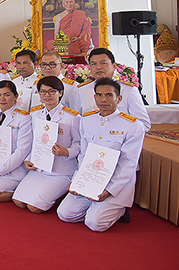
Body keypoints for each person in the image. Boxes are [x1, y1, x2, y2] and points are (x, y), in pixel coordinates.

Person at [57, 77, 146, 231]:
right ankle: (94, 209)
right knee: (65, 214)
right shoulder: (87, 120)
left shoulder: (133, 126)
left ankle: (116, 210)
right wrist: (78, 181)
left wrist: (110, 190)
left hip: (114, 183)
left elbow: (128, 163)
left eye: (109, 95)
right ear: (94, 97)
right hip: (90, 180)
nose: (103, 99)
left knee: (95, 224)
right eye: (99, 95)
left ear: (119, 98)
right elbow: (84, 155)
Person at [12, 76, 80, 213]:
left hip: (61, 170)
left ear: (60, 93)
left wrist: (66, 152)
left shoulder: (73, 117)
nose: (46, 95)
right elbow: (33, 141)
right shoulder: (35, 114)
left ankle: (60, 195)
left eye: (51, 91)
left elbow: (80, 144)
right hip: (40, 167)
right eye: (43, 92)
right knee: (18, 201)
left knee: (35, 207)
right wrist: (28, 158)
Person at [75, 48, 150, 131]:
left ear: (114, 66)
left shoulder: (129, 90)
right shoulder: (82, 90)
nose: (99, 67)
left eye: (103, 63)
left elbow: (143, 124)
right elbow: (77, 121)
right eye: (94, 64)